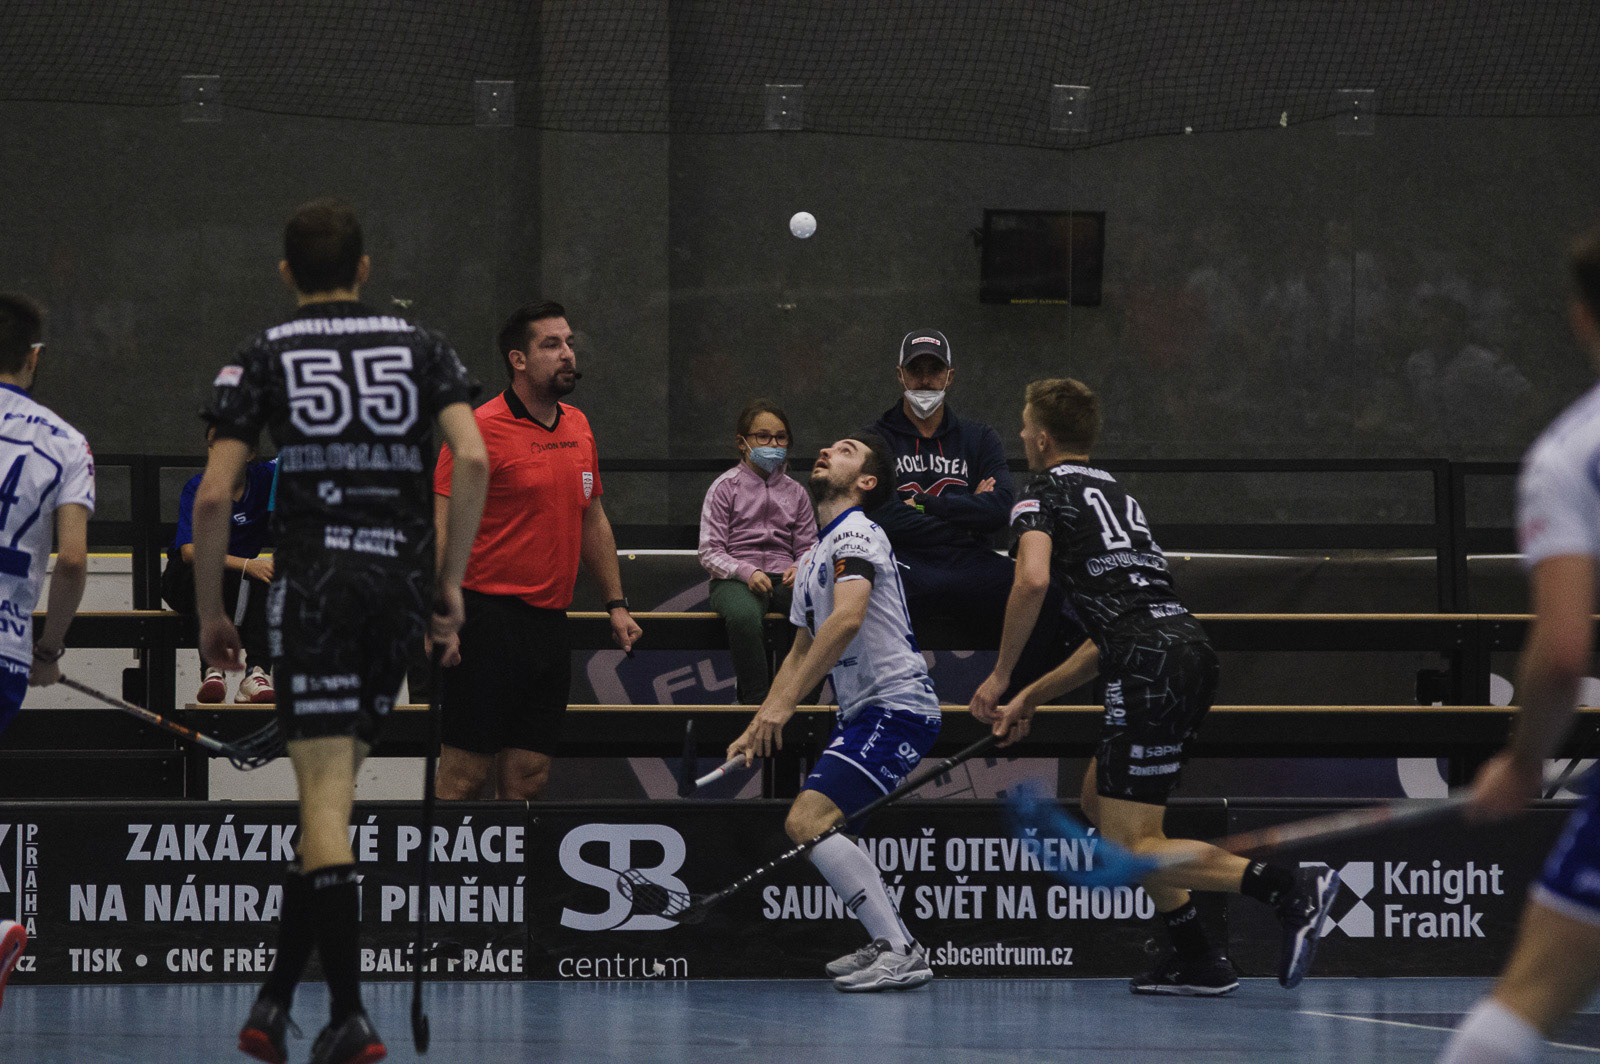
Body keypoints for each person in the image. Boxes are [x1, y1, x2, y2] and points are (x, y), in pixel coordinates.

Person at [196, 199, 488, 1064]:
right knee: (333, 804)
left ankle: (352, 1015)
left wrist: (213, 611)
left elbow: (212, 497)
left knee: (323, 804)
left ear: (287, 272)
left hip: (315, 594)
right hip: (395, 593)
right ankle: (276, 1000)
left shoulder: (263, 352)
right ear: (364, 269)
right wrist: (448, 582)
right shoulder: (422, 346)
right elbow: (474, 458)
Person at [970, 377, 1339, 996]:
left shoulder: (1041, 494)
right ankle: (1198, 958)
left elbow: (1031, 581)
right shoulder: (1120, 496)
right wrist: (1032, 695)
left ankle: (1288, 888)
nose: (1023, 436)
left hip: (1148, 667)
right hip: (1182, 651)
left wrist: (1002, 675)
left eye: (1025, 427)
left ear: (1041, 437)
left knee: (1133, 843)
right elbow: (1114, 634)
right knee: (1100, 804)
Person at [1438, 226, 1600, 1064]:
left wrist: (1525, 758)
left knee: (1523, 1002)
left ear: (1580, 318)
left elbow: (1564, 651)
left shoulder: (1571, 455)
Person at [727, 433, 940, 992]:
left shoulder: (858, 532)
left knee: (807, 821)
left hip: (896, 706)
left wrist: (785, 708)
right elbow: (801, 650)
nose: (826, 452)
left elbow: (846, 619)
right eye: (828, 448)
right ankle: (891, 939)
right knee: (827, 829)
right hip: (861, 712)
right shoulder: (813, 557)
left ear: (867, 481)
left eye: (846, 451)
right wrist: (760, 720)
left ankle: (901, 951)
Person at [433, 301, 641, 801]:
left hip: (549, 626)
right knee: (465, 777)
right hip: (483, 621)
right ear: (518, 360)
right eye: (551, 344)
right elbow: (440, 526)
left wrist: (616, 603)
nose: (567, 353)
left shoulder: (579, 425)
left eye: (568, 342)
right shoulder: (479, 430)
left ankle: (517, 860)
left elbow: (591, 517)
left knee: (529, 777)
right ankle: (449, 860)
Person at [865, 329, 1072, 694]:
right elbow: (880, 516)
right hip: (903, 563)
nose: (925, 380)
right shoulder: (874, 440)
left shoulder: (979, 438)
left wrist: (924, 505)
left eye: (934, 370)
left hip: (969, 561)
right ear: (900, 375)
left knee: (1050, 595)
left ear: (950, 376)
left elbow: (1000, 509)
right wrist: (965, 516)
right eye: (915, 370)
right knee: (849, 593)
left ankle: (1015, 701)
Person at [0, 291, 94, 1016]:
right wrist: (49, 646)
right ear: (34, 356)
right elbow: (72, 560)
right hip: (5, 649)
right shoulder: (64, 442)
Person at [698, 398, 817, 702]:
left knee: (816, 609)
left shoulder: (797, 492)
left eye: (780, 437)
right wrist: (747, 572)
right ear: (742, 442)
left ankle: (800, 703)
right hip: (735, 578)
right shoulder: (724, 487)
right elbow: (710, 551)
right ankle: (755, 703)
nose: (773, 444)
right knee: (743, 617)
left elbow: (809, 546)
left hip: (785, 576)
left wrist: (800, 566)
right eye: (763, 437)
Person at [163, 425, 276, 703]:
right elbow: (190, 552)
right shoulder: (198, 488)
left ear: (250, 453)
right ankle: (213, 670)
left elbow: (299, 455)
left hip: (238, 584)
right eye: (214, 445)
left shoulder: (265, 478)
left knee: (267, 579)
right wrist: (247, 565)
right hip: (186, 580)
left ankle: (256, 674)